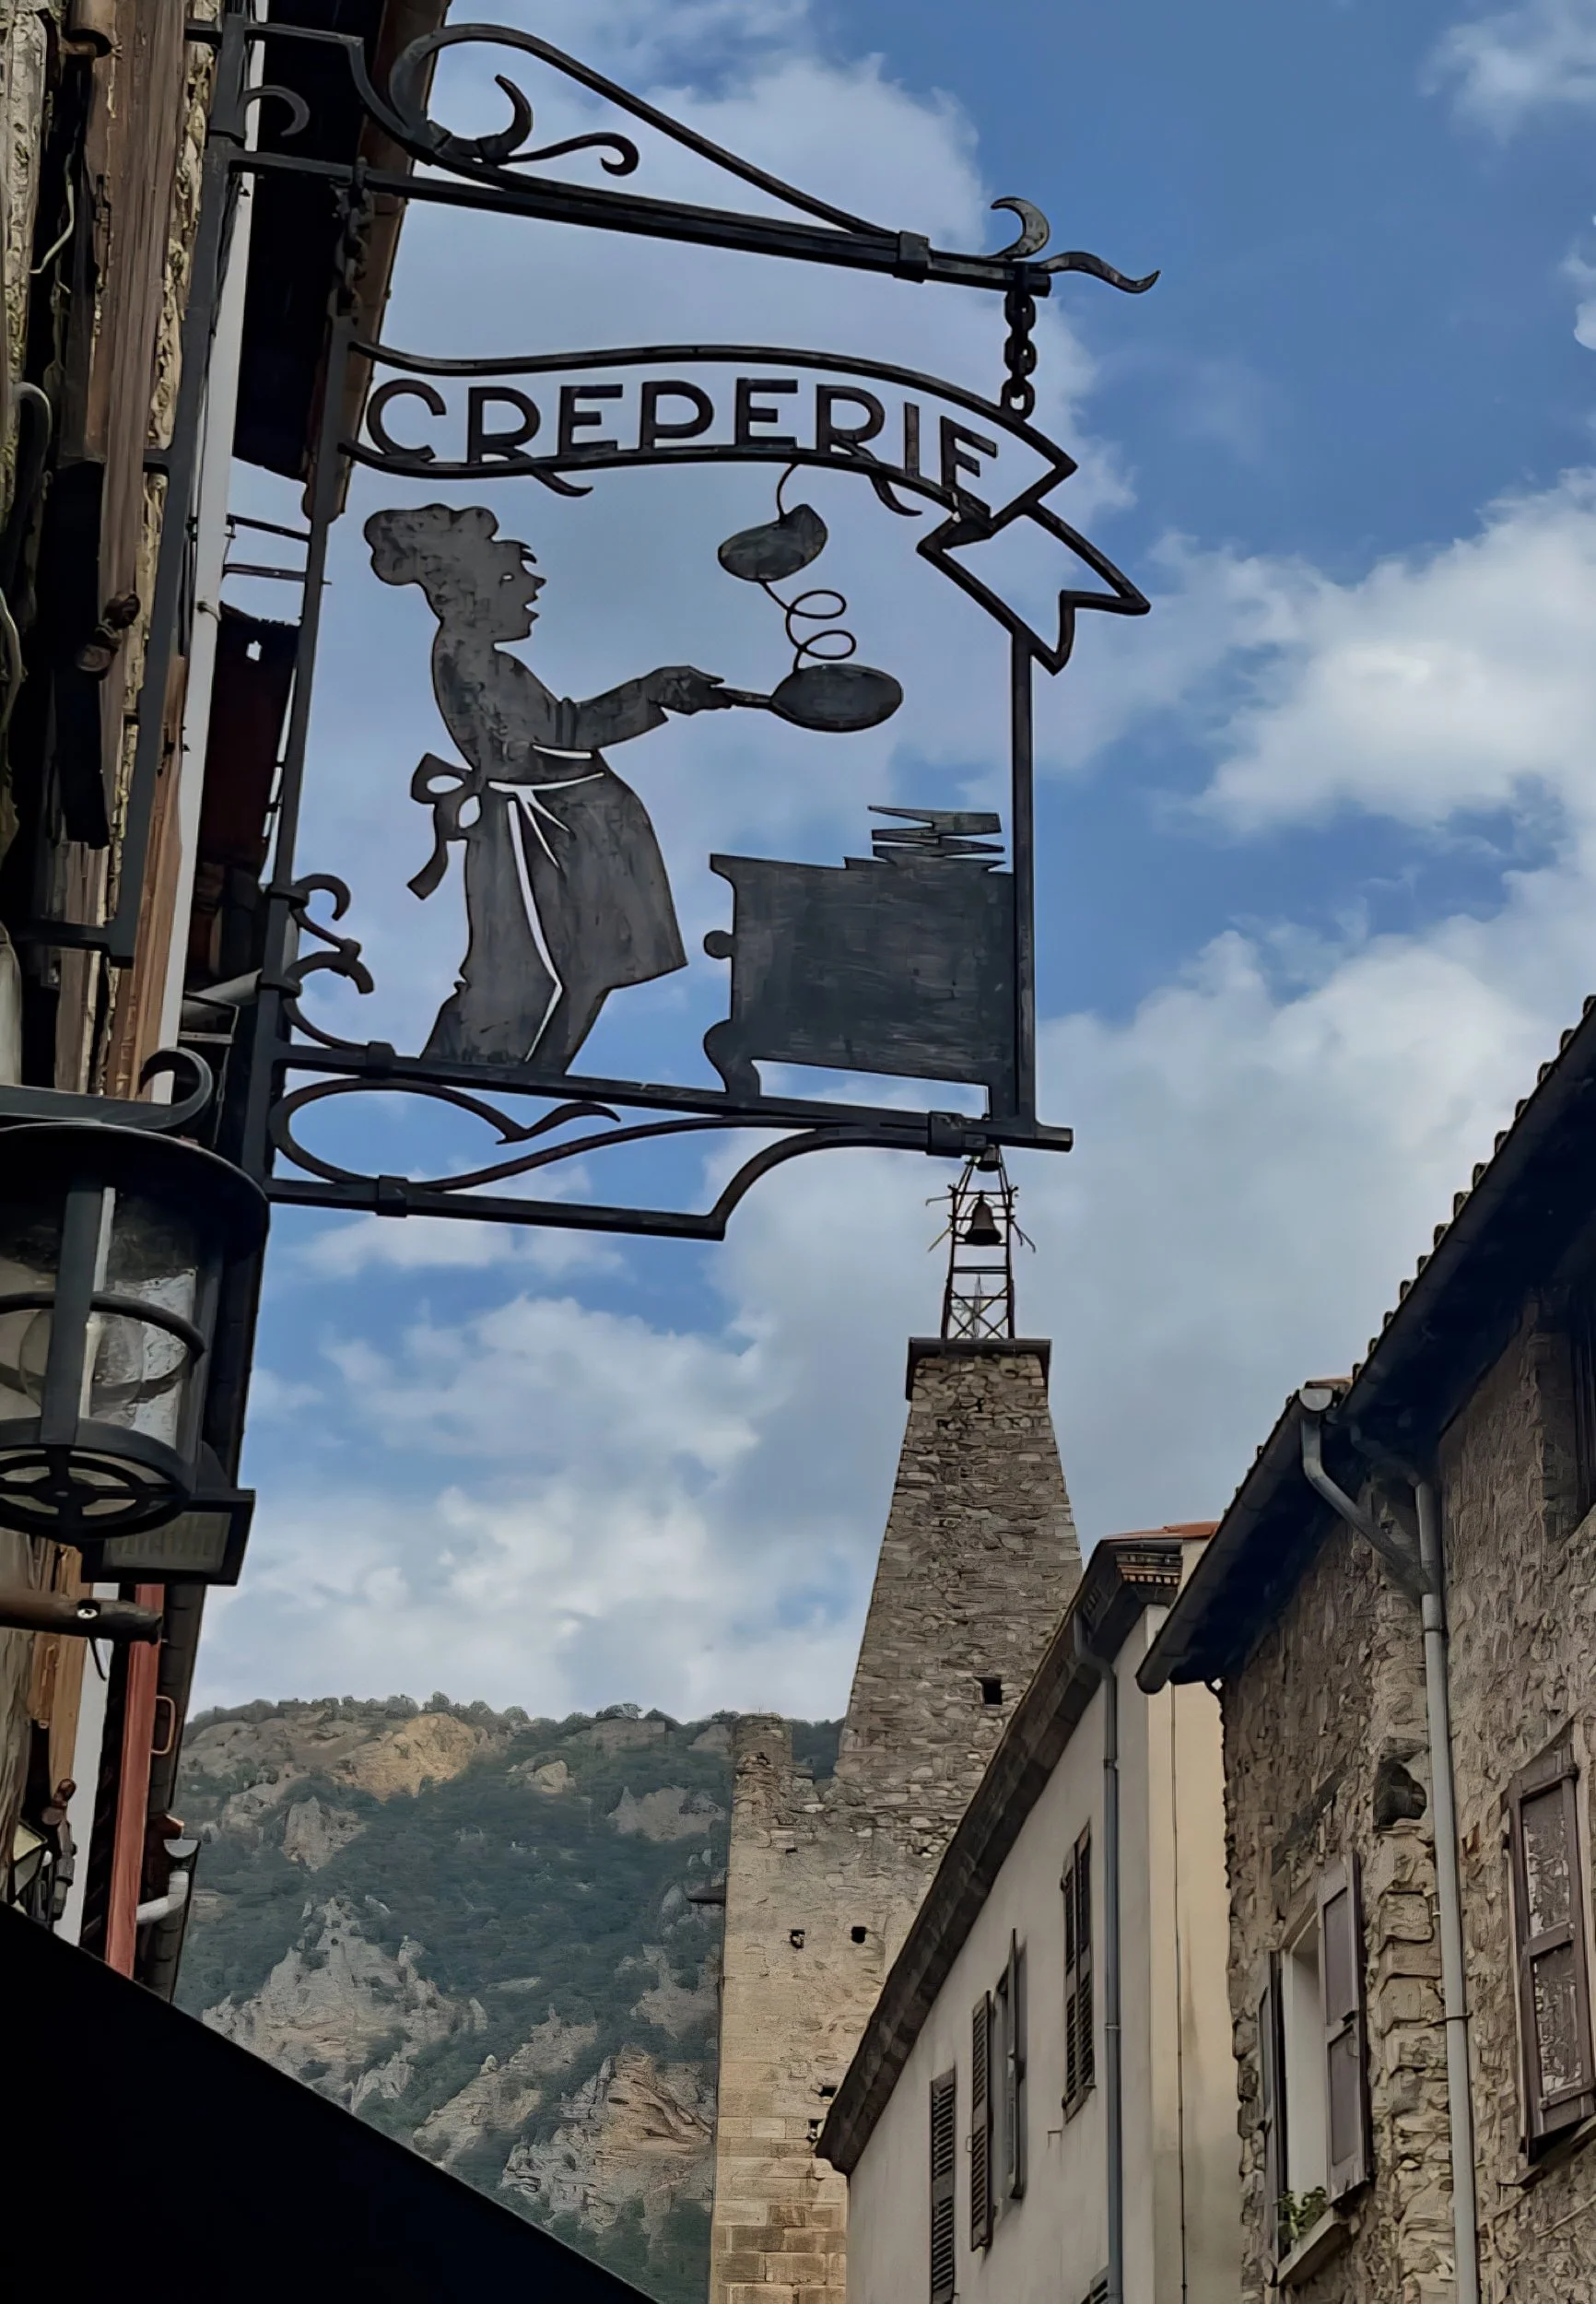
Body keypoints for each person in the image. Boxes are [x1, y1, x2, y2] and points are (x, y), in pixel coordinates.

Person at [366, 502, 731, 1072]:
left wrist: (652, 692)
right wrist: (621, 728)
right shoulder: (464, 658)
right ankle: (502, 1071)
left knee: (591, 966)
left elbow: (564, 725)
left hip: (570, 820)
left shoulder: (495, 662)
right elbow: (519, 754)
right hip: (545, 827)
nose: (532, 586)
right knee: (532, 970)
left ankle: (538, 1076)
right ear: (463, 592)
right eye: (511, 578)